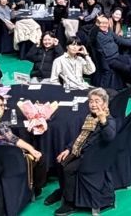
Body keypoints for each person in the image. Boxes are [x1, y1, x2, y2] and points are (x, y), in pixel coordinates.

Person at [44, 88, 116, 216]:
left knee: (69, 169)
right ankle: (63, 190)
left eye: (97, 101)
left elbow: (109, 136)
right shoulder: (90, 117)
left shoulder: (108, 120)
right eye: (91, 101)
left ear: (105, 103)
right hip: (83, 150)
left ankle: (70, 203)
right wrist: (69, 149)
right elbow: (81, 136)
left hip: (93, 156)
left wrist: (103, 121)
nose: (93, 104)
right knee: (60, 161)